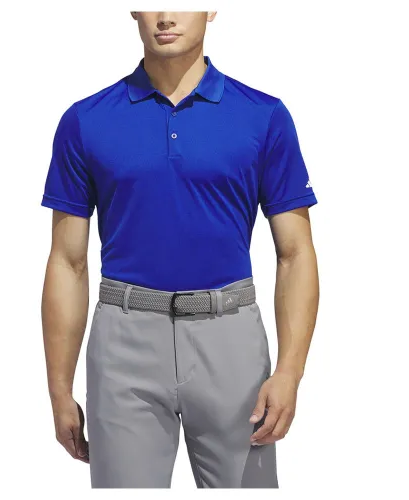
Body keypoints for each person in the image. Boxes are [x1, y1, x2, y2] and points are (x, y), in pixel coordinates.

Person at [40, 11, 319, 489]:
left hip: (231, 341)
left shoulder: (263, 116)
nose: (166, 15)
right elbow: (67, 262)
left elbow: (295, 253)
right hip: (124, 345)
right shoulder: (85, 121)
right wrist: (59, 388)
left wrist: (290, 373)